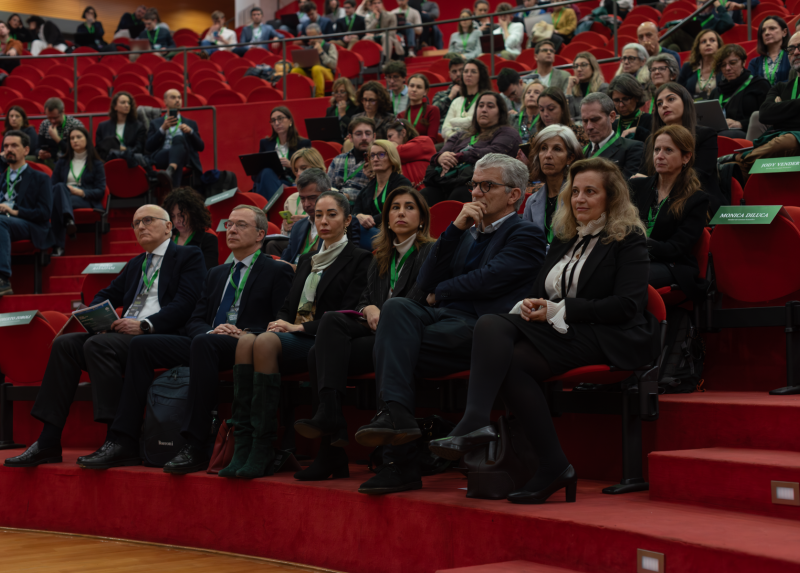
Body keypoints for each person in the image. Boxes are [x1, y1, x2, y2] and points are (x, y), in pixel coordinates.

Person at [427, 157, 660, 505]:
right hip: (564, 333)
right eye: (575, 191)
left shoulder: (629, 240)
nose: (580, 198)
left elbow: (627, 306)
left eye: (590, 192)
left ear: (611, 198)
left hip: (609, 335)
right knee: (509, 360)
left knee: (491, 324)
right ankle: (554, 465)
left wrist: (560, 309)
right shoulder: (566, 237)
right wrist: (532, 306)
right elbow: (540, 291)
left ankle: (476, 420)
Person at [355, 154, 545, 495]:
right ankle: (398, 417)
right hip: (443, 319)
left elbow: (487, 281)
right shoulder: (465, 234)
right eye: (474, 184)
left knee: (394, 351)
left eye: (487, 186)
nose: (476, 193)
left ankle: (399, 461)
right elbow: (424, 281)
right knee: (397, 306)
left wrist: (440, 292)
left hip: (484, 329)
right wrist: (455, 230)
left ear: (514, 195)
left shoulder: (526, 234)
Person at [79, 205, 294, 472]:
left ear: (261, 234)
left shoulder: (276, 271)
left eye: (241, 225)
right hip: (208, 339)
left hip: (247, 342)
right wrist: (209, 331)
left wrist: (245, 333)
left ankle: (195, 442)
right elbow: (195, 318)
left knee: (203, 345)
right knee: (142, 345)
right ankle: (125, 437)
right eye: (228, 225)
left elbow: (280, 318)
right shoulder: (216, 273)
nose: (232, 230)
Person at [4, 205, 205, 467]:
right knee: (66, 344)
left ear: (169, 226)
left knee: (99, 345)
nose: (141, 227)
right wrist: (99, 314)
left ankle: (120, 438)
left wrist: (144, 325)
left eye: (147, 220)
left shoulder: (189, 256)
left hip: (165, 335)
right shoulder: (136, 264)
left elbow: (185, 304)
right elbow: (104, 294)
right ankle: (48, 440)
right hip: (125, 336)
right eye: (135, 223)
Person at [220, 192, 371, 479]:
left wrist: (298, 328)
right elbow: (289, 306)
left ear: (348, 220)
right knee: (246, 341)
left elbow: (349, 312)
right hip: (291, 336)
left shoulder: (360, 259)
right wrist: (281, 322)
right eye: (318, 216)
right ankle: (244, 445)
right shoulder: (307, 259)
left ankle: (263, 447)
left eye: (332, 215)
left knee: (262, 341)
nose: (323, 221)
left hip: (325, 340)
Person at [294, 186, 435, 480]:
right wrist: (369, 308)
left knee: (320, 350)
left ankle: (336, 440)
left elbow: (426, 299)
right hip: (375, 333)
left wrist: (385, 312)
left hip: (409, 337)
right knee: (323, 338)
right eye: (395, 207)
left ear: (422, 219)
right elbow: (363, 299)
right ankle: (330, 431)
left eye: (409, 207)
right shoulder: (380, 256)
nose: (400, 212)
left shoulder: (431, 252)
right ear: (386, 218)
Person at [629, 125, 709, 302]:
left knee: (629, 276)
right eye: (657, 150)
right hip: (633, 258)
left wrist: (641, 243)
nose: (659, 156)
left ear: (686, 157)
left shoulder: (696, 199)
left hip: (671, 265)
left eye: (668, 150)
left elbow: (677, 248)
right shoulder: (636, 186)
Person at [423, 92, 522, 205]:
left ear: (501, 112)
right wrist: (441, 158)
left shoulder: (508, 133)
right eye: (480, 106)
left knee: (459, 195)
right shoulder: (461, 134)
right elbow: (441, 153)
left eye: (490, 106)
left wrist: (461, 156)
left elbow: (494, 153)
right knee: (424, 195)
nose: (484, 110)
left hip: (483, 185)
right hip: (449, 180)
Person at [640, 83, 723, 213]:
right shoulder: (652, 141)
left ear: (686, 102)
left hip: (696, 199)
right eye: (659, 103)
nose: (664, 105)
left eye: (671, 99)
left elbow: (699, 176)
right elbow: (644, 176)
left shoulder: (705, 135)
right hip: (658, 200)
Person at [728, 32, 800, 177]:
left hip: (789, 141)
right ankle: (739, 166)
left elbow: (774, 116)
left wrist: (781, 112)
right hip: (779, 144)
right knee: (736, 171)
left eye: (799, 47)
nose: (796, 52)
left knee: (789, 139)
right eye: (791, 49)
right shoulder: (780, 87)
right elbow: (765, 114)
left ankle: (738, 158)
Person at [0, 131, 54, 296]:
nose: (9, 149)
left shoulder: (40, 178)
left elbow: (44, 213)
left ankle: (3, 279)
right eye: (6, 146)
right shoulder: (1, 178)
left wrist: (14, 211)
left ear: (26, 150)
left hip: (32, 225)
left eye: (14, 145)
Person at [523, 125, 583, 248]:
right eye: (543, 148)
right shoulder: (531, 201)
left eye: (557, 149)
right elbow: (525, 242)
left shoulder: (578, 198)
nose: (548, 155)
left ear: (570, 158)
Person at [50, 127, 106, 256]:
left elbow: (100, 191)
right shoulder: (62, 162)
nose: (75, 140)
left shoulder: (96, 164)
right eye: (71, 138)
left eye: (78, 137)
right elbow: (52, 186)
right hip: (63, 195)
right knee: (59, 187)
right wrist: (65, 189)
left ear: (87, 140)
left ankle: (58, 246)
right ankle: (68, 219)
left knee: (58, 202)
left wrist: (79, 192)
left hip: (84, 199)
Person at [353, 140, 412, 249]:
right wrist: (359, 216)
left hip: (394, 234)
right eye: (372, 155)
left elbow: (398, 211)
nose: (375, 159)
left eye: (381, 154)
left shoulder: (402, 183)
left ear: (392, 157)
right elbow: (356, 210)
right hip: (372, 233)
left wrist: (369, 220)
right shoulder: (369, 187)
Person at [146, 90, 204, 188]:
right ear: (165, 101)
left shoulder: (190, 123)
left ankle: (170, 170)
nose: (177, 100)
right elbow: (148, 146)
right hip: (162, 156)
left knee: (178, 139)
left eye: (179, 97)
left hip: (186, 157)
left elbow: (201, 147)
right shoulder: (156, 123)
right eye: (173, 97)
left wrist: (190, 132)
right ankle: (175, 189)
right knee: (178, 158)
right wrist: (162, 129)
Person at [711, 44, 771, 139]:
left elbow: (768, 116)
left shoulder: (759, 84)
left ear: (743, 62)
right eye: (723, 65)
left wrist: (740, 124)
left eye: (733, 62)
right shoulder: (716, 91)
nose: (727, 68)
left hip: (749, 134)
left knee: (722, 137)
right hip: (720, 132)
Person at [252, 106, 311, 201]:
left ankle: (267, 209)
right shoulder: (265, 143)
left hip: (290, 182)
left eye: (280, 118)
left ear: (290, 120)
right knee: (267, 172)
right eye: (273, 120)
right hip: (269, 181)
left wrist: (291, 165)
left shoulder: (303, 144)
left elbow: (309, 171)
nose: (276, 123)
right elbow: (255, 176)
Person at [580, 92, 644, 179]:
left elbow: (628, 188)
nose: (589, 127)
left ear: (612, 116)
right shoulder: (580, 152)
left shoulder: (632, 148)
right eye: (585, 121)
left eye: (595, 119)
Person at [280, 169, 329, 266]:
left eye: (312, 198)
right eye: (302, 198)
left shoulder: (342, 224)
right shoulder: (298, 226)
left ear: (328, 194)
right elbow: (286, 260)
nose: (306, 204)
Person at [163, 187, 219, 271]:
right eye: (173, 216)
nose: (177, 221)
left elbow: (209, 272)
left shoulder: (208, 240)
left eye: (181, 215)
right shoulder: (165, 237)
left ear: (193, 213)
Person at [441, 59, 492, 139]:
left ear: (481, 76)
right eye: (465, 71)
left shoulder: (486, 99)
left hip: (476, 143)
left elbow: (476, 124)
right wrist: (457, 138)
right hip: (454, 144)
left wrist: (453, 122)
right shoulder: (456, 101)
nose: (468, 75)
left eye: (473, 72)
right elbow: (444, 129)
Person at [328, 117, 375, 202]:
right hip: (337, 205)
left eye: (368, 134)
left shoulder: (378, 161)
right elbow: (328, 188)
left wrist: (348, 196)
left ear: (374, 136)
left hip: (364, 208)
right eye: (358, 134)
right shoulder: (338, 160)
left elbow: (378, 193)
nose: (364, 138)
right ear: (350, 137)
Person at [290, 23, 338, 98]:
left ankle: (319, 97)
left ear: (320, 34)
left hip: (327, 72)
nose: (311, 39)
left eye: (314, 36)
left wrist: (321, 52)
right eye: (309, 37)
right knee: (295, 70)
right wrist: (299, 64)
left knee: (316, 68)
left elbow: (333, 65)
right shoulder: (308, 48)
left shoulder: (330, 46)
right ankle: (299, 95)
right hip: (311, 72)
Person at [95, 92, 147, 157]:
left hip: (130, 160)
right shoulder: (102, 126)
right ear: (115, 107)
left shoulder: (138, 126)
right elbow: (99, 148)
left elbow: (139, 148)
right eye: (123, 102)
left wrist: (122, 149)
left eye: (128, 103)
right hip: (108, 159)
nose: (127, 105)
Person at [677, 30, 722, 101]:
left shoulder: (724, 66)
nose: (708, 44)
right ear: (698, 48)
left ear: (718, 45)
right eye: (703, 42)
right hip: (693, 108)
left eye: (712, 40)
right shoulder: (688, 67)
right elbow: (678, 90)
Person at [37, 98, 85, 163]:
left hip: (70, 160)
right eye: (49, 117)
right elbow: (37, 147)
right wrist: (40, 153)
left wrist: (57, 139)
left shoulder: (75, 125)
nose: (52, 121)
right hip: (50, 160)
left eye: (55, 118)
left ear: (63, 111)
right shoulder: (44, 124)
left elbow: (77, 151)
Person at [748, 17, 791, 86]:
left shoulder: (792, 56)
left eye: (772, 28)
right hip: (762, 96)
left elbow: (795, 80)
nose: (766, 33)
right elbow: (751, 87)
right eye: (763, 30)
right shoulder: (754, 63)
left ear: (784, 32)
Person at [608, 74, 650, 141]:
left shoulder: (651, 120)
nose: (621, 105)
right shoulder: (611, 125)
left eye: (625, 99)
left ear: (636, 97)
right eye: (616, 100)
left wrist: (638, 131)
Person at [567, 52, 607, 122]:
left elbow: (602, 115)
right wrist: (569, 88)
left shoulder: (603, 88)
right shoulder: (573, 90)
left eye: (583, 65)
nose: (579, 69)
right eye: (576, 66)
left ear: (593, 67)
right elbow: (569, 116)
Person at [326, 78, 362, 142]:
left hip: (349, 141)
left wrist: (343, 115)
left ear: (348, 93)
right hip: (333, 141)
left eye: (342, 92)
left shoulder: (357, 109)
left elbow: (356, 129)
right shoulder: (330, 110)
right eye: (336, 92)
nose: (339, 95)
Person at [432, 56, 466, 121]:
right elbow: (434, 113)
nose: (458, 74)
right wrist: (450, 96)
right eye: (454, 71)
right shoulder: (440, 95)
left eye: (461, 70)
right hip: (444, 129)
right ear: (450, 74)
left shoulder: (473, 92)